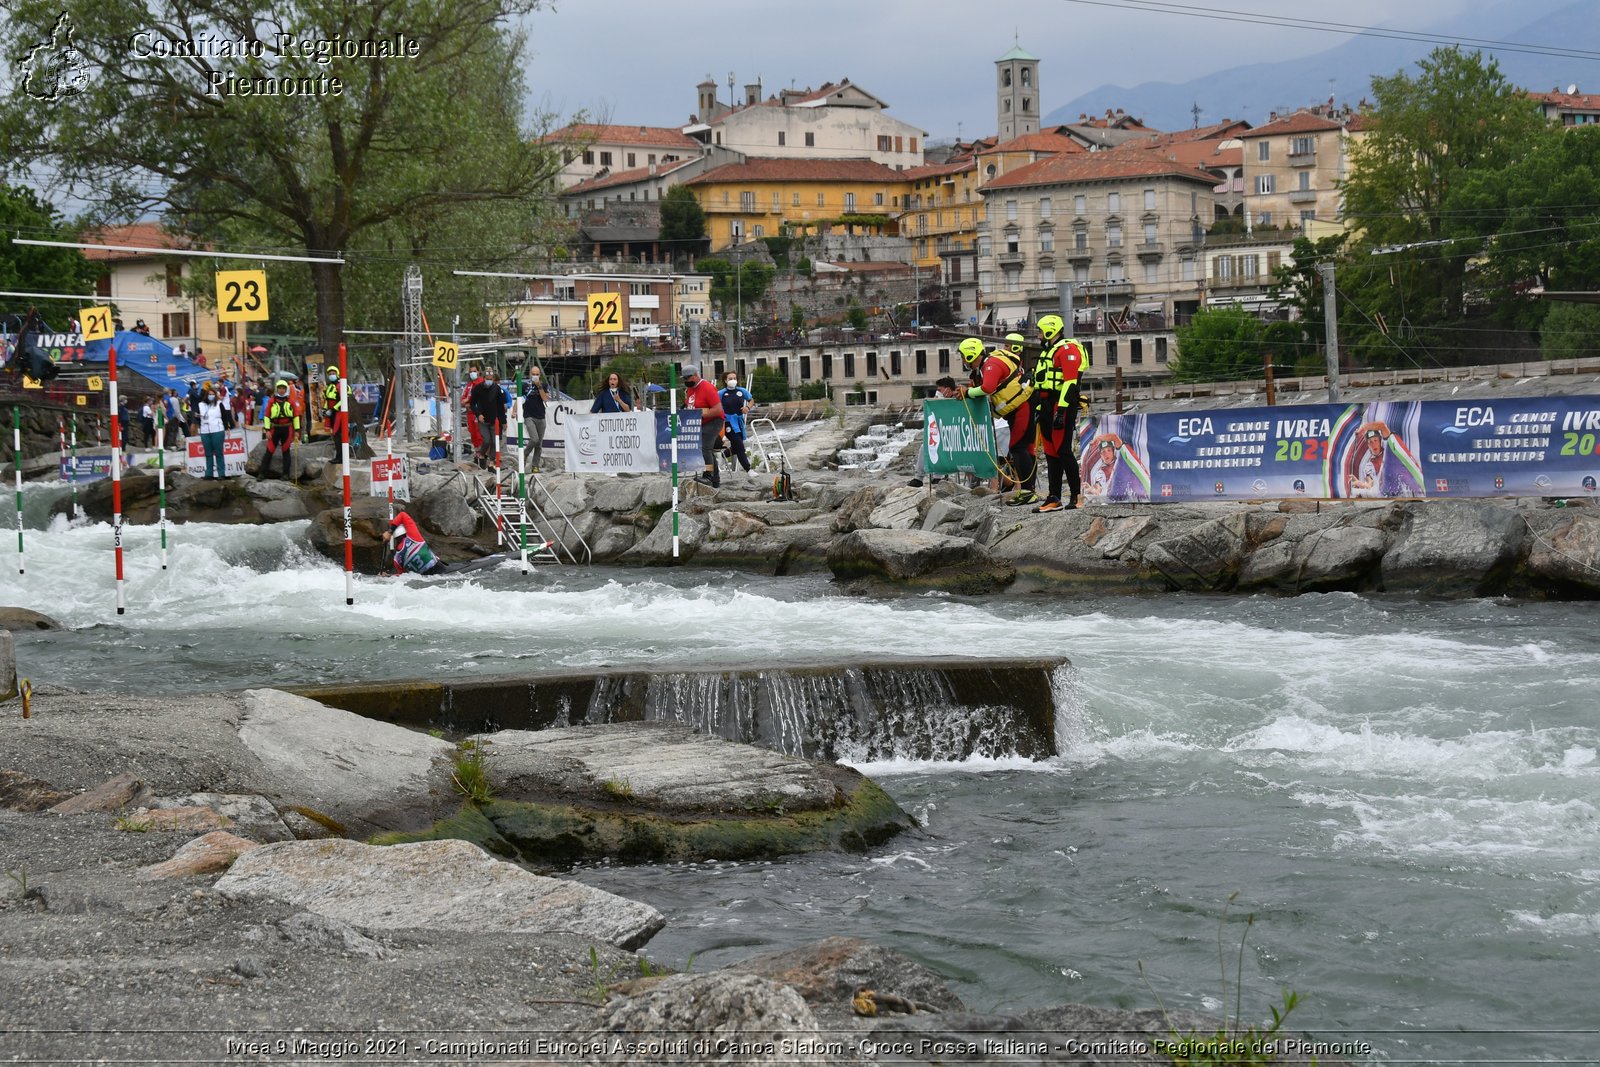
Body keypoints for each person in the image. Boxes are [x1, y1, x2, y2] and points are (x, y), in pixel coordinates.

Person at [961, 336, 1037, 506]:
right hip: (1015, 408)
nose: (963, 360)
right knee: (1024, 447)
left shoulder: (991, 365)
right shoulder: (982, 368)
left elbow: (988, 388)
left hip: (1022, 406)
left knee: (1018, 447)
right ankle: (1028, 489)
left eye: (963, 356)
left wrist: (967, 393)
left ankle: (1027, 491)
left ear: (970, 355)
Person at [1029, 314, 1085, 514]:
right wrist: (1038, 409)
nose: (1039, 335)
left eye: (1041, 331)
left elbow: (1070, 382)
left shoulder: (1067, 349)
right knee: (1051, 453)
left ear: (1050, 331)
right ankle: (1054, 497)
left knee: (1063, 450)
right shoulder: (1050, 351)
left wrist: (1061, 411)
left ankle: (1077, 496)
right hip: (1046, 404)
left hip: (1061, 404)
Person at [682, 364, 725, 488]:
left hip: (714, 421)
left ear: (695, 375)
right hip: (701, 423)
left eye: (688, 378)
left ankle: (708, 475)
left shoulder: (707, 388)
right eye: (684, 379)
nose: (686, 381)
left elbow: (718, 409)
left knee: (705, 448)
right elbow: (690, 404)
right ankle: (715, 479)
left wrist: (700, 413)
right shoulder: (690, 389)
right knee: (707, 451)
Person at [718, 372, 758, 478]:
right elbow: (715, 405)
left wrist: (747, 408)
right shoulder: (721, 393)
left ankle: (725, 454)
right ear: (725, 381)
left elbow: (751, 400)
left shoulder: (741, 391)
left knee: (737, 446)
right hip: (727, 422)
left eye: (734, 378)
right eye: (730, 378)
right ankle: (748, 469)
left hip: (739, 421)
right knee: (739, 445)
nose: (733, 380)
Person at [260, 379, 300, 479]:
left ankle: (285, 474)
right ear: (277, 389)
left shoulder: (291, 401)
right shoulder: (271, 401)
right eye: (280, 388)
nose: (282, 390)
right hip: (275, 429)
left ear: (286, 389)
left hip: (287, 428)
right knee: (269, 450)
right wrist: (267, 430)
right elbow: (267, 416)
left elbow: (296, 416)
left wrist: (297, 431)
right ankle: (261, 473)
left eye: (283, 388)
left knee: (286, 451)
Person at [469, 367, 507, 466]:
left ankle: (491, 460)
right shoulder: (478, 388)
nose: (489, 381)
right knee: (486, 440)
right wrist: (478, 414)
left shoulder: (497, 389)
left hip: (494, 420)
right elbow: (472, 404)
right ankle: (481, 454)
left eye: (491, 379)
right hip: (483, 420)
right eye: (487, 379)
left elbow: (500, 407)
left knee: (495, 442)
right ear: (484, 378)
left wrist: (503, 422)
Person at [388, 510, 441, 575]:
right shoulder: (414, 538)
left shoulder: (396, 560)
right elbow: (402, 514)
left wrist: (389, 576)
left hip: (424, 577)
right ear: (405, 532)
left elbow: (402, 576)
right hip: (439, 569)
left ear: (395, 539)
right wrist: (390, 531)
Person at [197, 382, 227, 479]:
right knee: (208, 453)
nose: (211, 396)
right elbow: (197, 416)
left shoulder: (219, 404)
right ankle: (209, 474)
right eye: (209, 394)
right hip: (205, 431)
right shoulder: (201, 405)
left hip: (217, 430)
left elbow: (226, 416)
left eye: (213, 394)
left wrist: (227, 427)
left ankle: (221, 473)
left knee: (219, 453)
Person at [522, 365, 549, 467]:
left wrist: (539, 386)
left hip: (541, 416)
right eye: (533, 374)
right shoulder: (525, 385)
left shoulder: (544, 385)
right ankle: (525, 454)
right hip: (529, 415)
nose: (535, 376)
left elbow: (545, 399)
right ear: (530, 374)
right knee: (534, 439)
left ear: (540, 375)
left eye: (537, 374)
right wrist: (514, 411)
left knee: (539, 444)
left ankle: (535, 466)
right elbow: (519, 399)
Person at [461, 369, 483, 454]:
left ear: (479, 371)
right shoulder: (469, 385)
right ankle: (477, 453)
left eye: (474, 371)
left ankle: (482, 453)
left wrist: (468, 402)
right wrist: (466, 402)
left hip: (477, 413)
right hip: (470, 413)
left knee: (479, 433)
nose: (472, 373)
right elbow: (463, 399)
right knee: (473, 433)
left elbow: (478, 398)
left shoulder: (481, 383)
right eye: (470, 371)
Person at [323, 367, 345, 440]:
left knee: (337, 432)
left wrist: (333, 409)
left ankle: (340, 451)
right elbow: (327, 399)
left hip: (338, 412)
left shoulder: (340, 385)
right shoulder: (329, 386)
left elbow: (343, 399)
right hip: (330, 412)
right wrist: (325, 409)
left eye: (333, 373)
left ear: (337, 374)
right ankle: (338, 449)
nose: (331, 375)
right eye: (330, 374)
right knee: (333, 433)